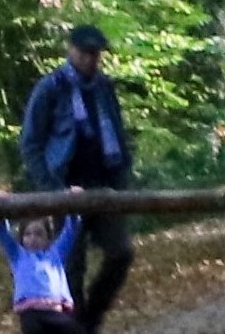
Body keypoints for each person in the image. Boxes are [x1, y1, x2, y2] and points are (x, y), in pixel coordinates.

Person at [19, 22, 137, 334]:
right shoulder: (51, 88)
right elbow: (31, 143)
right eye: (85, 52)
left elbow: (116, 130)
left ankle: (88, 322)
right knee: (71, 269)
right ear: (70, 50)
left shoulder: (104, 87)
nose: (90, 59)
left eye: (95, 54)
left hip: (104, 186)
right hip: (65, 188)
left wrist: (122, 174)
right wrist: (51, 190)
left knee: (120, 252)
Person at [0, 200, 87, 334]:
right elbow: (2, 233)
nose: (33, 238)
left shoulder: (56, 253)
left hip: (55, 311)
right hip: (31, 312)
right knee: (33, 329)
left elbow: (71, 229)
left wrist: (73, 202)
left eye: (39, 234)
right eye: (28, 234)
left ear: (48, 238)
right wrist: (1, 206)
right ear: (21, 238)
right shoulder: (18, 255)